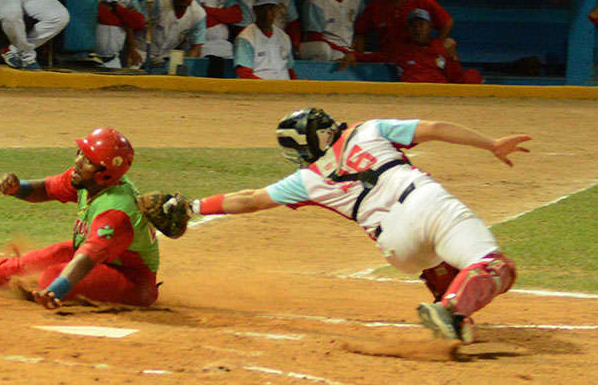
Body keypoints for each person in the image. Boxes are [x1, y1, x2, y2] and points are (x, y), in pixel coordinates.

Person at [179, 108, 528, 342]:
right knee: (495, 265)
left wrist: (191, 206)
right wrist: (491, 144)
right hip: (426, 203)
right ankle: (451, 310)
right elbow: (434, 128)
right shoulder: (370, 129)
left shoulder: (307, 179)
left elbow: (248, 199)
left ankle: (454, 314)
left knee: (434, 258)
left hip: (396, 248)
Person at [0, 128, 160, 309]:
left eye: (87, 160)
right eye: (80, 153)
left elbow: (86, 260)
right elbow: (46, 188)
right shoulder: (87, 181)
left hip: (133, 282)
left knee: (51, 277)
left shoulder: (115, 212)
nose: (77, 161)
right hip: (100, 260)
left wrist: (57, 289)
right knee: (14, 266)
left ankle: (32, 288)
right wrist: (17, 188)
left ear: (105, 174)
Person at [341, 8, 482, 84]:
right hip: (414, 96)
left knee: (472, 75)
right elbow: (375, 57)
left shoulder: (439, 46)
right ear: (407, 29)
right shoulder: (399, 49)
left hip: (442, 94)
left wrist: (453, 58)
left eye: (421, 25)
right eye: (413, 25)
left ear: (430, 28)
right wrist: (354, 55)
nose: (418, 29)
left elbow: (455, 77)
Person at [135, 0, 206, 70]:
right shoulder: (157, 1)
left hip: (164, 57)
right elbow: (132, 24)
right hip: (139, 50)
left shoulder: (199, 13)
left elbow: (196, 47)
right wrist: (131, 49)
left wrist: (186, 66)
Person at [300, 0, 365, 62]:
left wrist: (359, 38)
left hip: (349, 49)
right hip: (328, 49)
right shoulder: (316, 1)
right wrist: (344, 51)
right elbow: (314, 38)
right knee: (326, 50)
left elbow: (364, 25)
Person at [192, 0, 243, 77]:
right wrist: (223, 15)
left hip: (224, 45)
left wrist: (207, 11)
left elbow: (236, 15)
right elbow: (200, 21)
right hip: (200, 44)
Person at [233, 0, 297, 80]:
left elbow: (290, 70)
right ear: (255, 10)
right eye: (262, 9)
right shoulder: (245, 37)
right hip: (257, 90)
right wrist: (270, 87)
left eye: (271, 9)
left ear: (277, 10)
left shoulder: (284, 37)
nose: (267, 14)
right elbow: (244, 74)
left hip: (284, 90)